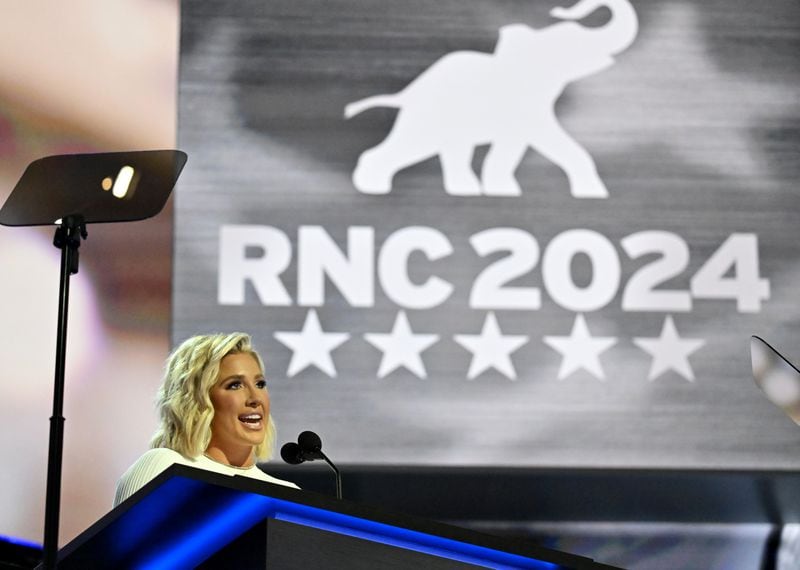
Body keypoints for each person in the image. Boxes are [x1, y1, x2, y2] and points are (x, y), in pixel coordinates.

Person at [114, 332, 298, 506]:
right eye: (235, 385)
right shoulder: (164, 467)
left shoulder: (288, 494)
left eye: (260, 384)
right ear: (197, 400)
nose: (256, 398)